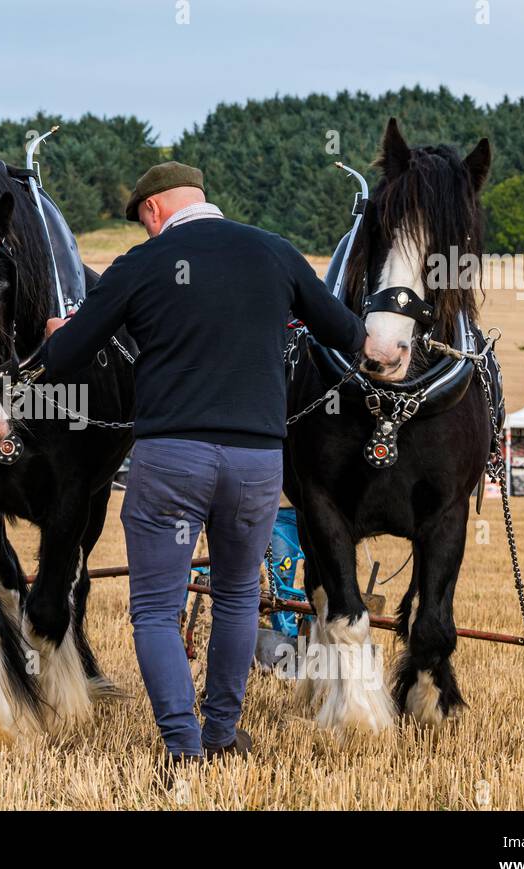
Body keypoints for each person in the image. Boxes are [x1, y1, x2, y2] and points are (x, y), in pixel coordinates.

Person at [41, 161, 372, 767]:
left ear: (152, 211)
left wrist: (57, 329)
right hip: (256, 463)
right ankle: (222, 733)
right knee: (240, 596)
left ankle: (182, 744)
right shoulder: (274, 253)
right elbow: (348, 334)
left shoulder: (139, 265)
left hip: (171, 459)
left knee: (155, 609)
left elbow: (63, 359)